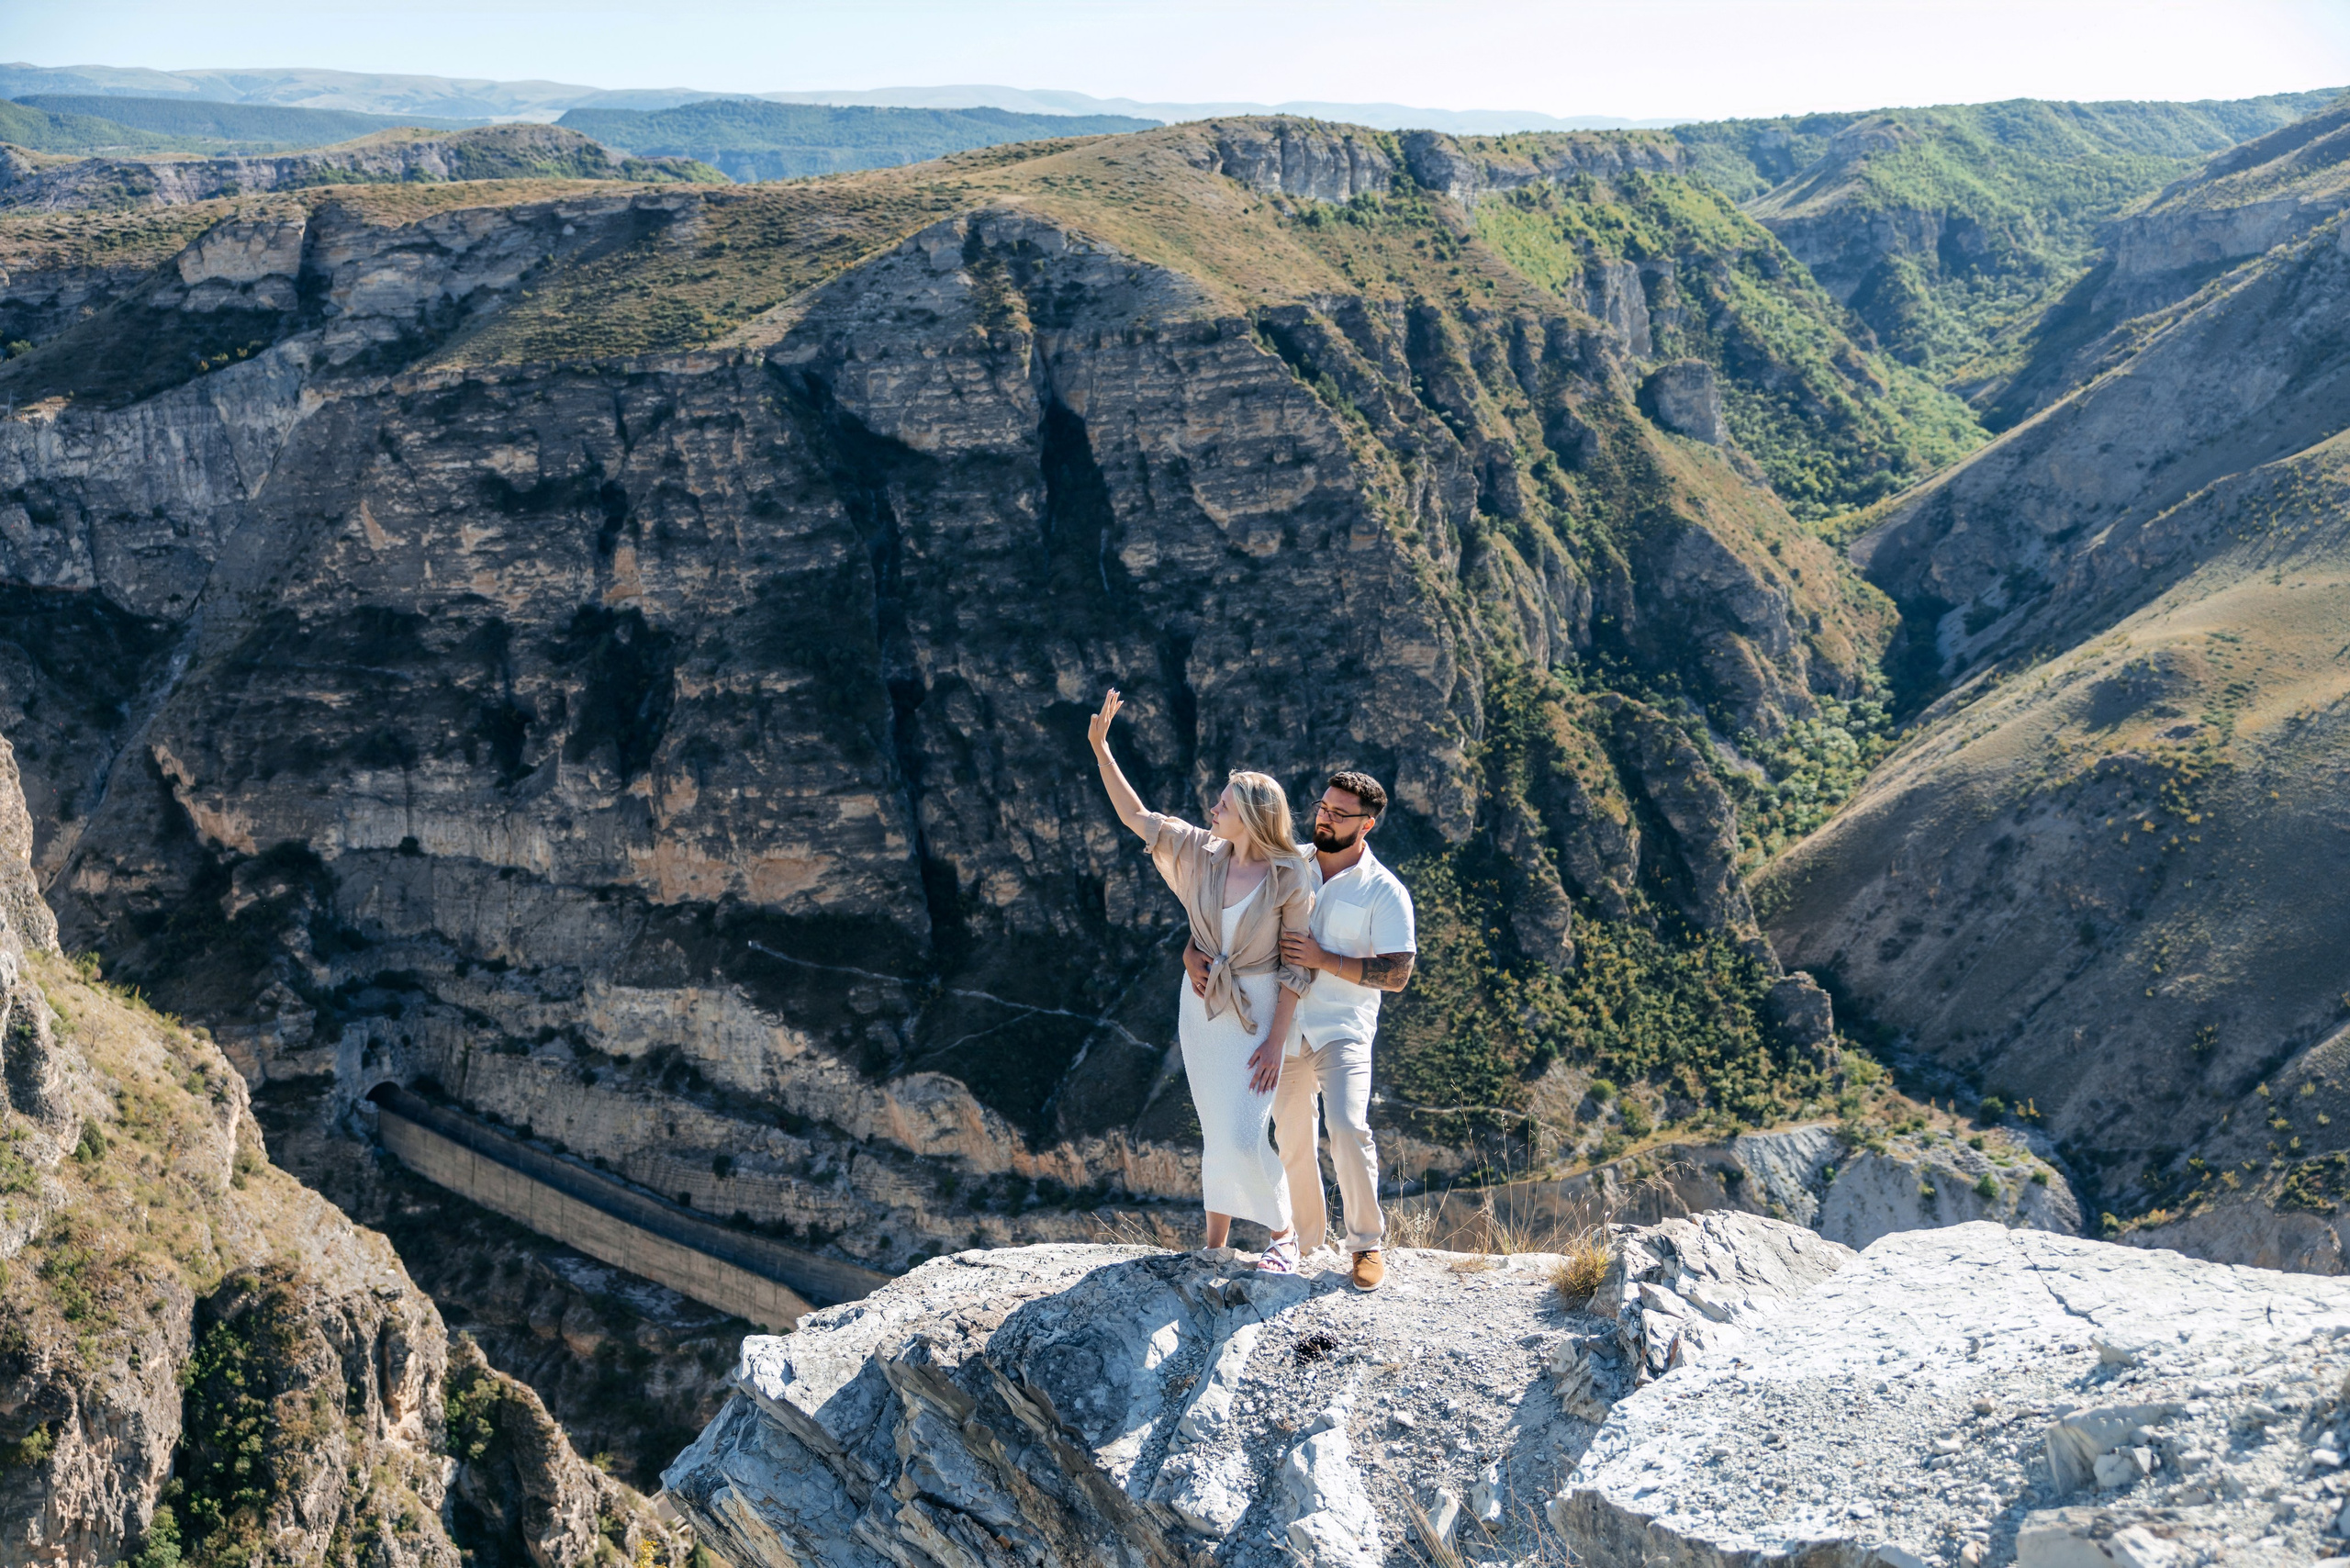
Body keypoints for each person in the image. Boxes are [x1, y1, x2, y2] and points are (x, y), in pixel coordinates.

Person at [1087, 689, 1315, 1273]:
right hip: (1202, 1009)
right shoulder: (1205, 853)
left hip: (1259, 1009)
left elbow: (1296, 967)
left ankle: (1282, 1236)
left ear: (1252, 817)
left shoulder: (1290, 875)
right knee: (1217, 1127)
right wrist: (1100, 748)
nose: (1213, 810)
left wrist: (1274, 1040)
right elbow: (1138, 818)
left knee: (1244, 1133)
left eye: (1224, 804)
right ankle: (1215, 1243)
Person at [1185, 770, 1416, 1291]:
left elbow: (1397, 973)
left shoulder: (1385, 891)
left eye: (1340, 813)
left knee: (1348, 1127)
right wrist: (1190, 951)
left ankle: (1365, 1246)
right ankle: (1305, 1244)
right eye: (1324, 807)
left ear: (1367, 825)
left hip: (1342, 1030)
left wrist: (1325, 959)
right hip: (1281, 1029)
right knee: (1290, 1138)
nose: (1325, 817)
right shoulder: (1287, 865)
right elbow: (1225, 914)